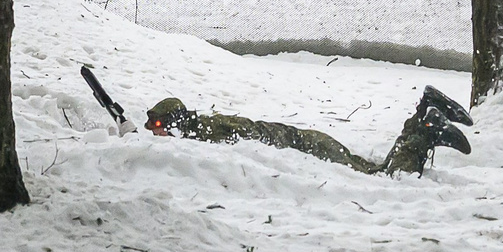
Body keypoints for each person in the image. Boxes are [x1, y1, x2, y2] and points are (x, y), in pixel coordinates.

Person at [142, 86, 472, 176]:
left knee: (379, 177)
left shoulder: (206, 134)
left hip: (310, 149)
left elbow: (249, 146)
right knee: (373, 171)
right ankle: (426, 109)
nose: (156, 135)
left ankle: (426, 131)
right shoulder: (203, 129)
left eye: (159, 127)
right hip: (310, 144)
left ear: (175, 124)